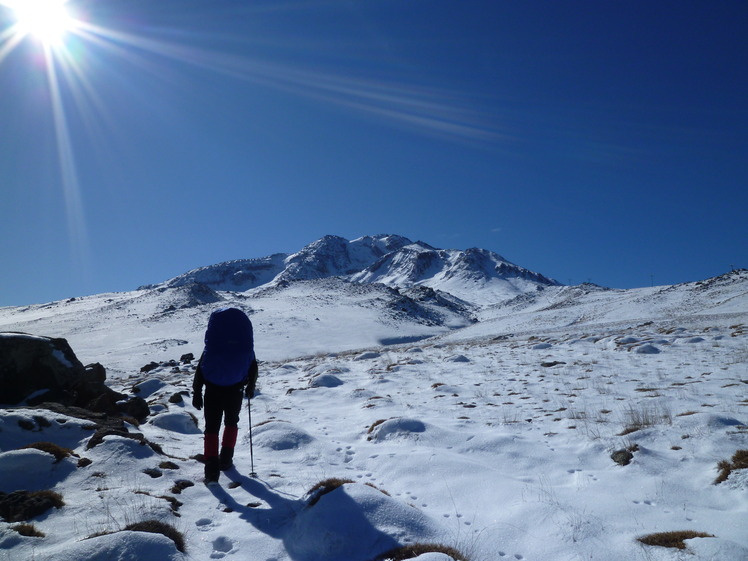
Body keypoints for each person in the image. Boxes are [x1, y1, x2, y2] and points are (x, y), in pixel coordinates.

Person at [192, 307, 258, 483]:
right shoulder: (243, 347)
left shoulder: (213, 347)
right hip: (235, 390)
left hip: (212, 390)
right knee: (231, 423)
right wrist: (251, 387)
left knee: (211, 428)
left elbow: (201, 369)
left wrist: (197, 392)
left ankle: (211, 470)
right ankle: (226, 460)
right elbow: (252, 366)